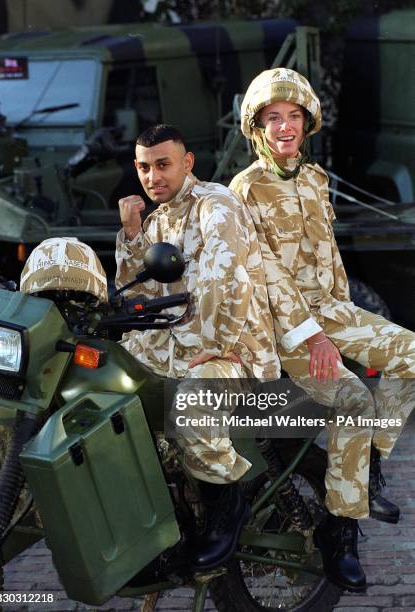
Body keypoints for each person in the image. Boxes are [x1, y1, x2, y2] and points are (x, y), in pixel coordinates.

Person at [230, 67, 415, 592]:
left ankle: (373, 463)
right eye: (273, 119)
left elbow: (329, 260)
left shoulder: (314, 178)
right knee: (354, 399)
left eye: (294, 117)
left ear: (306, 124)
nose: (285, 127)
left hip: (334, 310)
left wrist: (345, 323)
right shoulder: (243, 192)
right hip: (283, 327)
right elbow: (264, 277)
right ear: (257, 128)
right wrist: (315, 338)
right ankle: (341, 533)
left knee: (411, 354)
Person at [115, 123, 280, 570]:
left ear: (187, 163)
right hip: (176, 346)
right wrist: (131, 235)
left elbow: (225, 283)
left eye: (164, 165)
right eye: (145, 168)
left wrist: (217, 344)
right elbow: (137, 293)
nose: (154, 177)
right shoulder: (157, 218)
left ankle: (227, 507)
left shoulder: (216, 206)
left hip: (233, 350)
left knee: (192, 406)